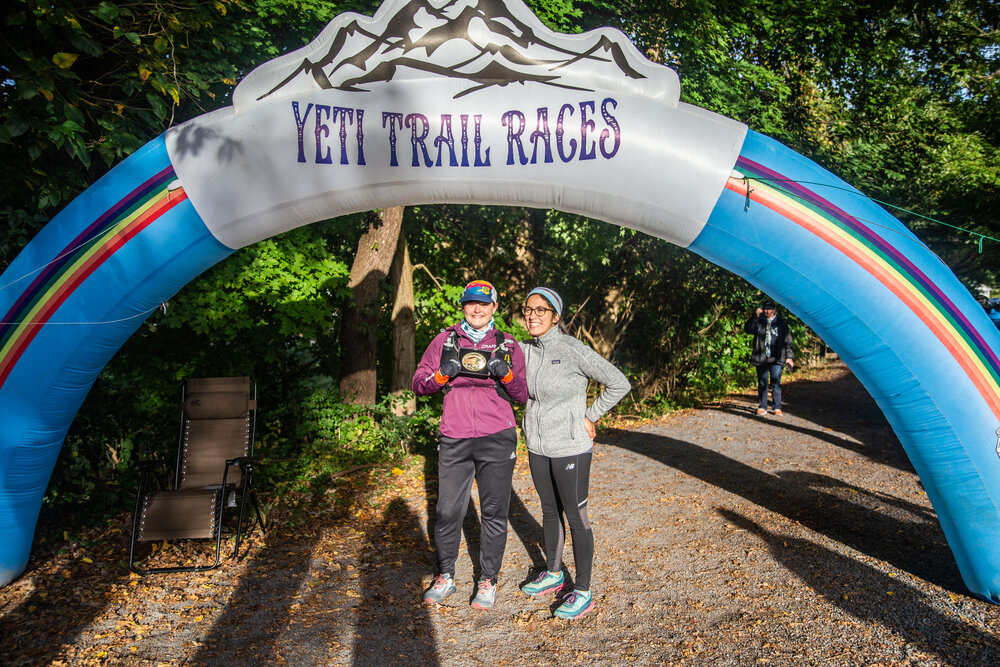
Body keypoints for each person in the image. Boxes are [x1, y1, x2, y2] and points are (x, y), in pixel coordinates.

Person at [413, 279, 528, 610]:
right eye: (470, 303)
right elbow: (419, 385)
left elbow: (521, 395)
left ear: (494, 308)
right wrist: (440, 377)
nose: (477, 309)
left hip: (497, 435)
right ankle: (445, 575)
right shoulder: (444, 340)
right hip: (455, 434)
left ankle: (488, 579)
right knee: (448, 509)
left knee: (493, 511)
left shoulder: (508, 344)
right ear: (463, 306)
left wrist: (505, 374)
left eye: (484, 304)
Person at [518, 287, 631, 620]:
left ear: (556, 316)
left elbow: (619, 382)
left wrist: (590, 415)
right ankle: (553, 573)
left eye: (542, 310)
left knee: (577, 517)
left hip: (570, 446)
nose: (533, 315)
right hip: (538, 445)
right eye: (529, 309)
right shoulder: (524, 350)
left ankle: (582, 590)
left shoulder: (572, 350)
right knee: (550, 511)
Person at [744, 300, 795, 416]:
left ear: (774, 310)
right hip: (761, 357)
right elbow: (748, 329)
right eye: (765, 309)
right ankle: (762, 406)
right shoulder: (759, 321)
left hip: (777, 357)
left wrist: (789, 357)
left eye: (770, 309)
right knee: (762, 382)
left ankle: (777, 407)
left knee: (776, 382)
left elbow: (788, 341)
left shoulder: (781, 323)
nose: (768, 311)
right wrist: (755, 316)